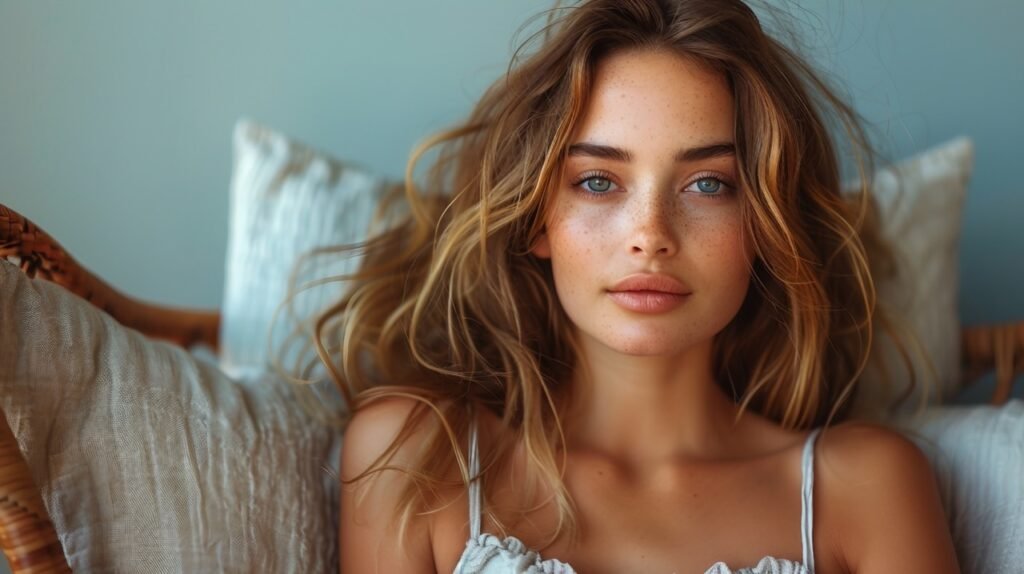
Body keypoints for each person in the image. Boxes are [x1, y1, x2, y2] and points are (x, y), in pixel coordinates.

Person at [327, 0, 960, 572]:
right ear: (536, 217)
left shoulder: (865, 489)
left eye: (709, 184)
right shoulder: (418, 458)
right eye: (598, 181)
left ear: (767, 225)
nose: (650, 235)